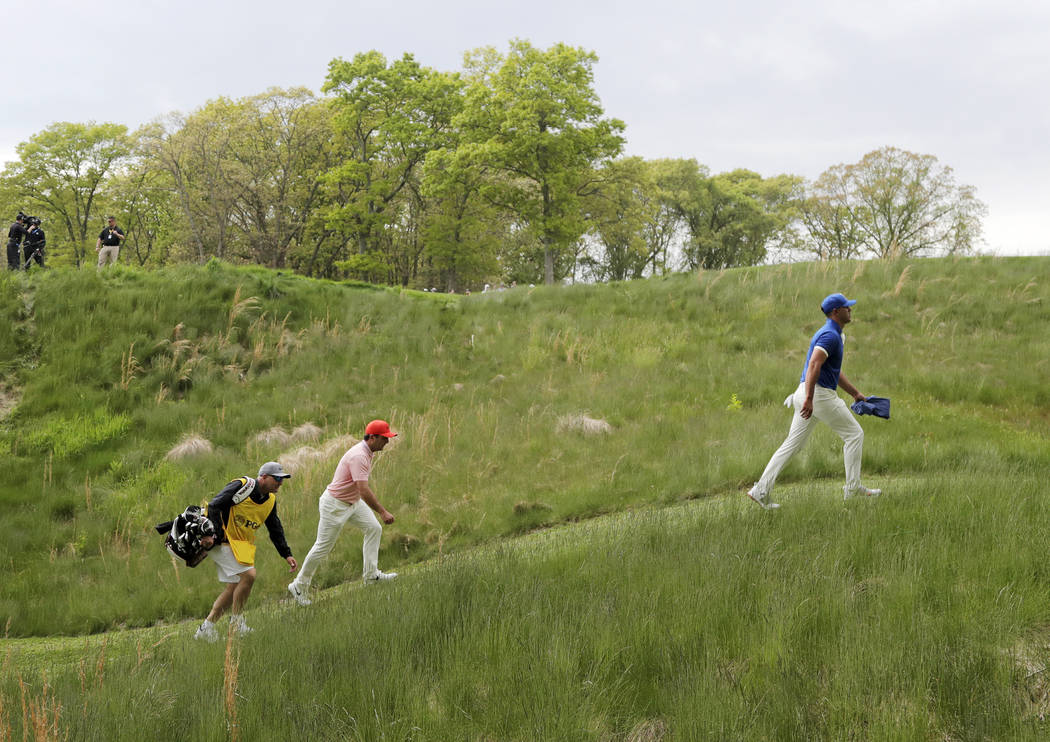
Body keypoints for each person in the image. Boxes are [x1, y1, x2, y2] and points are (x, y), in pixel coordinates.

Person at [747, 293, 882, 509]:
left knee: (793, 444)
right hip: (817, 396)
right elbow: (813, 366)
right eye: (846, 307)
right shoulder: (830, 335)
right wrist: (810, 399)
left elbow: (833, 371)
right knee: (854, 434)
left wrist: (855, 393)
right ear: (836, 312)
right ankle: (853, 489)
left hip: (807, 393)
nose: (851, 310)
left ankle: (760, 490)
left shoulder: (837, 335)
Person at [287, 420, 398, 606]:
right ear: (372, 438)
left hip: (352, 502)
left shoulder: (368, 452)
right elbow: (363, 489)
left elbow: (358, 491)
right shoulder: (359, 456)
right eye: (384, 439)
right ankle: (299, 585)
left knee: (373, 528)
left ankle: (371, 576)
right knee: (323, 547)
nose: (387, 442)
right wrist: (383, 511)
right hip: (335, 506)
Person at [194, 461, 298, 641]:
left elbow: (275, 527)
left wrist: (286, 553)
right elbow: (214, 505)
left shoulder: (270, 500)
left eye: (282, 480)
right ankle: (236, 624)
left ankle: (205, 630)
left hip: (239, 545)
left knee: (234, 586)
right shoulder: (242, 485)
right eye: (277, 479)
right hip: (221, 541)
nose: (280, 483)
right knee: (249, 575)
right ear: (263, 477)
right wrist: (215, 535)